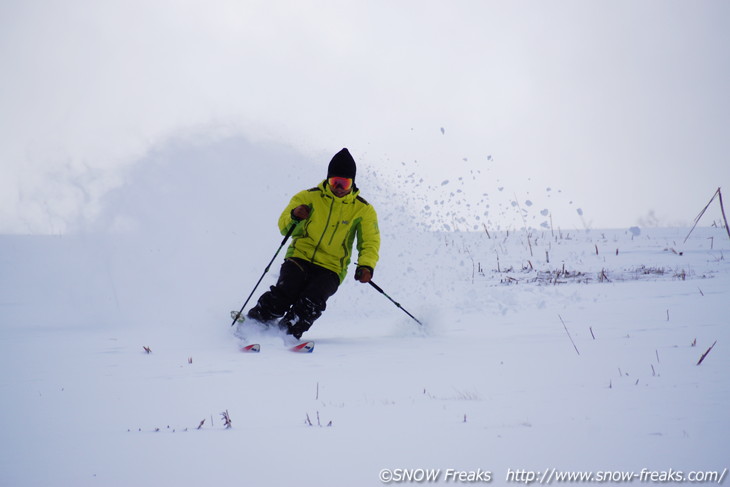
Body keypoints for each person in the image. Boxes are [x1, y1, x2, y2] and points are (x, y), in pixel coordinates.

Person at [246, 148, 380, 340]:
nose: (339, 188)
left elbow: (370, 241)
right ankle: (254, 324)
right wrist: (295, 216)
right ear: (328, 180)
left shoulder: (363, 210)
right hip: (300, 256)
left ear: (353, 183)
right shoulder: (308, 197)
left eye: (345, 183)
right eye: (335, 182)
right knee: (286, 291)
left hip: (332, 267)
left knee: (312, 301)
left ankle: (286, 334)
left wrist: (366, 265)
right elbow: (284, 227)